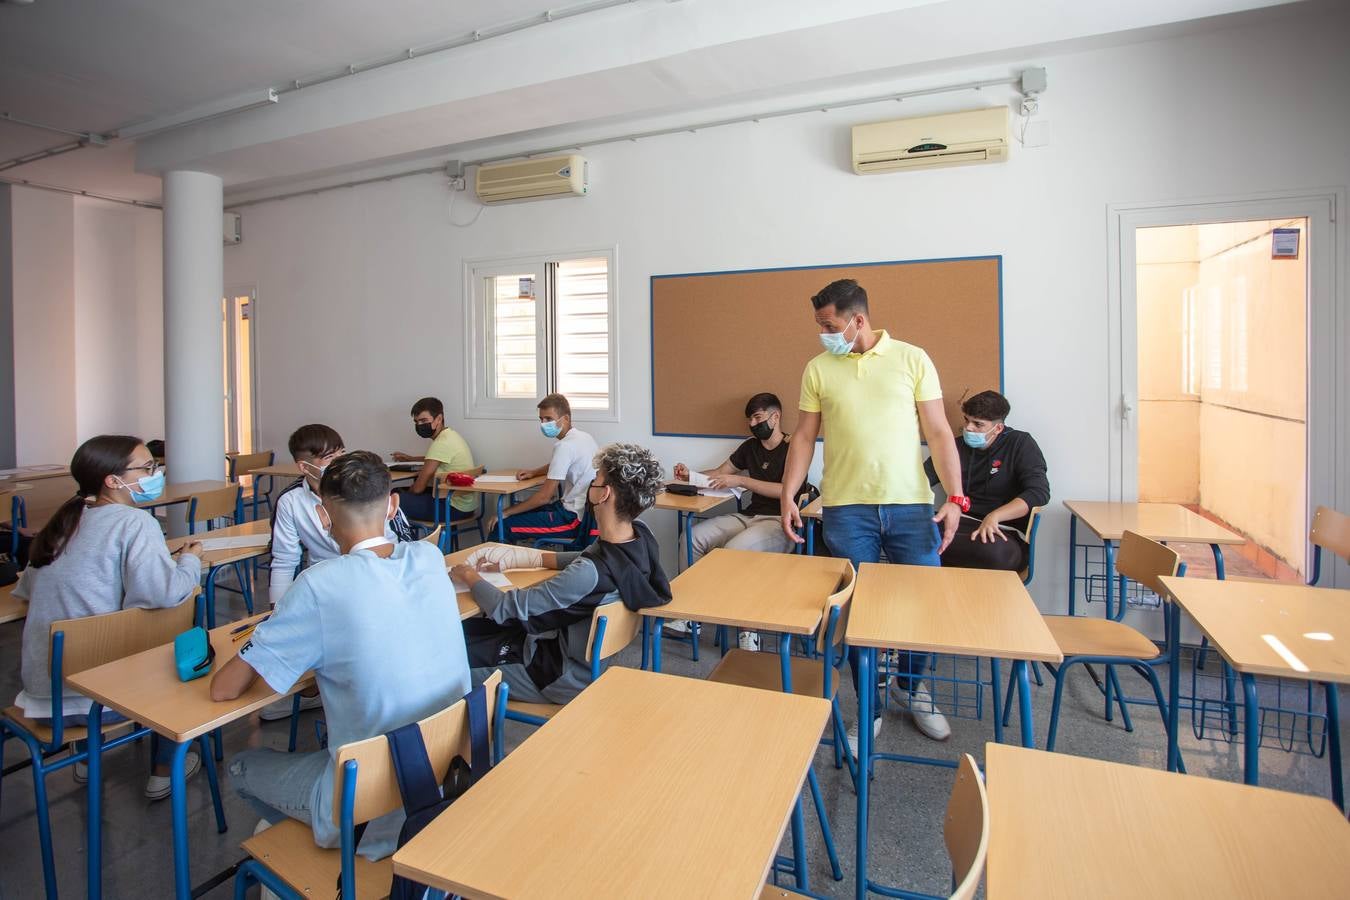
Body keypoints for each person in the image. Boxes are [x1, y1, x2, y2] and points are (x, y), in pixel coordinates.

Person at [211, 451, 471, 859]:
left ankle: (301, 853)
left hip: (370, 803)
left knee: (242, 767)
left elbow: (224, 690)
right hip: (444, 778)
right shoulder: (428, 557)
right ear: (393, 505)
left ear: (322, 516)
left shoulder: (319, 585)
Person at [779, 278, 967, 748]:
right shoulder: (818, 368)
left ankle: (912, 685)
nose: (823, 333)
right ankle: (871, 707)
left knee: (922, 609)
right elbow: (803, 437)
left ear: (857, 320)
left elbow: (940, 433)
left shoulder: (912, 358)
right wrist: (788, 493)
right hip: (846, 508)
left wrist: (956, 497)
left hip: (911, 506)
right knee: (857, 615)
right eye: (820, 325)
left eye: (829, 325)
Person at [14, 435, 204, 799]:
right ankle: (165, 769)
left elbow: (27, 590)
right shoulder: (135, 524)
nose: (156, 473)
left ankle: (87, 759)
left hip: (45, 699)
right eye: (147, 468)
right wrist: (190, 558)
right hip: (104, 700)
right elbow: (165, 594)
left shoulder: (63, 522)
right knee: (180, 657)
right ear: (112, 480)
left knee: (95, 641)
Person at [451, 442, 670, 704]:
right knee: (469, 630)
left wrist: (469, 576)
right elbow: (589, 556)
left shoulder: (588, 574)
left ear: (604, 494)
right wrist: (526, 558)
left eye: (596, 479)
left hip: (555, 673)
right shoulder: (641, 536)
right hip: (588, 662)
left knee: (447, 664)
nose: (591, 484)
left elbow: (509, 608)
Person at [670, 392, 810, 651]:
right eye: (750, 420)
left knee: (733, 551)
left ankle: (749, 630)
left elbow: (786, 491)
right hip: (748, 515)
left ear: (775, 416)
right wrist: (691, 476)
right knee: (691, 538)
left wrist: (742, 481)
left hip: (779, 521)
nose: (753, 424)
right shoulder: (749, 447)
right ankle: (692, 615)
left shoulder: (794, 448)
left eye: (758, 417)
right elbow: (722, 474)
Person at [926, 390, 1050, 572]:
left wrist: (995, 516)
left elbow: (1038, 493)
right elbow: (922, 478)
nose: (969, 428)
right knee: (910, 533)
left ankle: (937, 550)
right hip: (958, 523)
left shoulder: (1020, 443)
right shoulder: (955, 446)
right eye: (967, 420)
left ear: (998, 428)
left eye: (978, 424)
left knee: (998, 554)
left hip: (1001, 531)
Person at [491, 393, 598, 543]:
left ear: (566, 418)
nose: (544, 424)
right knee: (519, 515)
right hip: (581, 512)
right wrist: (534, 472)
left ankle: (491, 566)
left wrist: (504, 512)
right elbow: (559, 464)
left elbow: (544, 497)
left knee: (502, 525)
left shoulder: (564, 446)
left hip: (573, 519)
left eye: (549, 419)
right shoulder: (584, 437)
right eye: (541, 419)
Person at [391, 397, 479, 525]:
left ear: (439, 419)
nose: (420, 425)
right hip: (465, 504)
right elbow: (435, 458)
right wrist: (411, 459)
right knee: (399, 494)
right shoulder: (451, 436)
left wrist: (407, 492)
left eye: (424, 420)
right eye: (416, 422)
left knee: (393, 498)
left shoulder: (441, 443)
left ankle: (404, 541)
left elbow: (418, 489)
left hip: (451, 508)